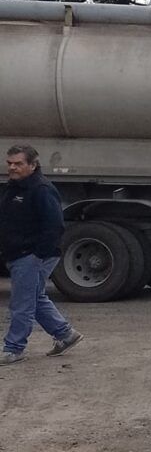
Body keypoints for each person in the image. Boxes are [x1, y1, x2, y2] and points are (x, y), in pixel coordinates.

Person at [1, 144, 83, 365]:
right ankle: (65, 334)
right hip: (18, 254)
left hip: (30, 255)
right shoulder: (14, 187)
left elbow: (54, 226)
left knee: (22, 303)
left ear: (33, 165)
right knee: (33, 298)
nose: (12, 167)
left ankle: (13, 349)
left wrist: (37, 256)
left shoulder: (41, 189)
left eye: (18, 163)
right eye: (9, 163)